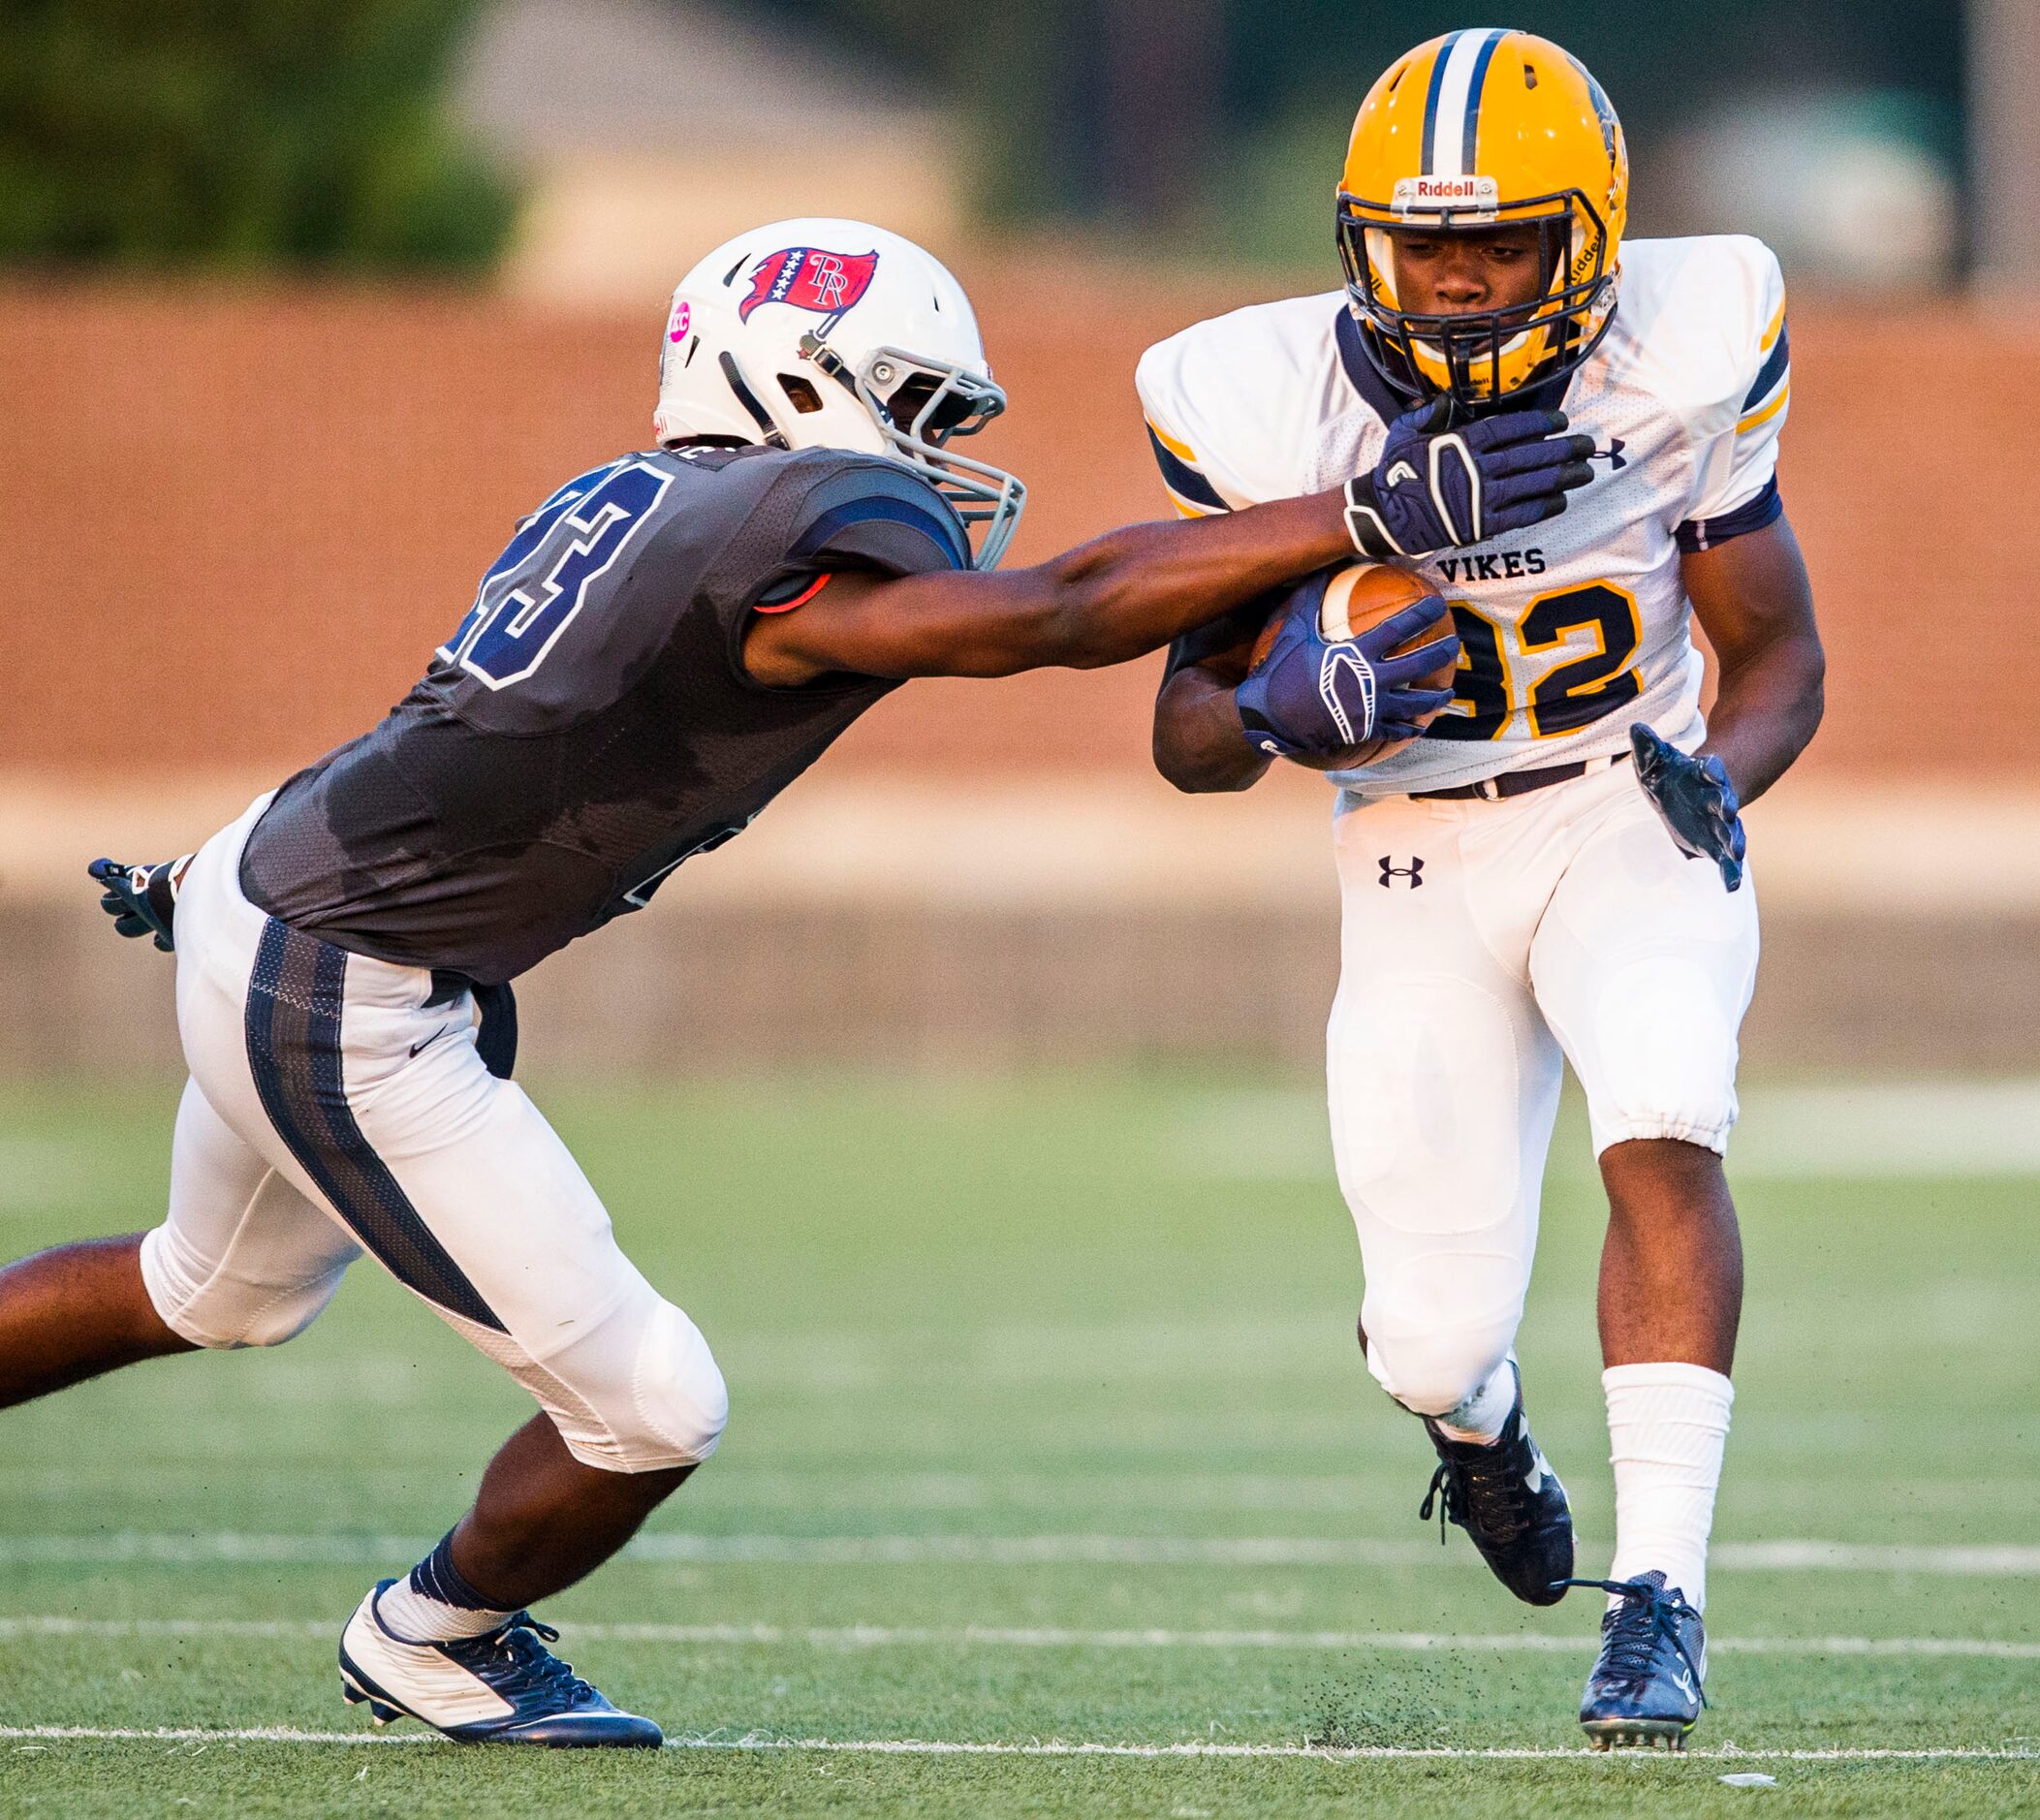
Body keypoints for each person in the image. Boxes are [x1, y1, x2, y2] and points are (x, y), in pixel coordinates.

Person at [0, 216, 1572, 1749]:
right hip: (340, 975)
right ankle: (437, 1635)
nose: (940, 449)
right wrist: (1357, 513)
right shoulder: (768, 538)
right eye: (920, 404)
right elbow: (1055, 611)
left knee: (214, 1291)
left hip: (279, 892)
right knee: (650, 1407)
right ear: (803, 378)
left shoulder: (655, 498)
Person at [1140, 33, 1823, 1751]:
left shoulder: (1682, 345)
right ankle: (1482, 1430)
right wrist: (1280, 709)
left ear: (1584, 240)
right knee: (1427, 1342)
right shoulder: (1257, 393)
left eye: (1497, 243)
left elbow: (1778, 655)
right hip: (1412, 847)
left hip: (1619, 805)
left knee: (1664, 1106)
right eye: (1419, 242)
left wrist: (1712, 778)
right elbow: (1186, 734)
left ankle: (1658, 1600)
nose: (1450, 278)